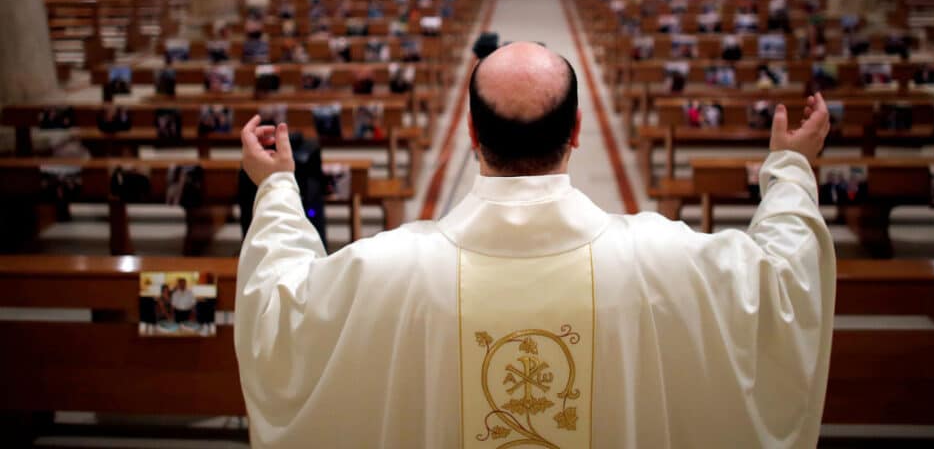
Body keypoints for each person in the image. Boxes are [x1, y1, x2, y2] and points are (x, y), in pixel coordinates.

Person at [236, 42, 834, 447]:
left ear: (472, 133)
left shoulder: (389, 267)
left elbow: (278, 314)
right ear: (577, 133)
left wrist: (278, 189)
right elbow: (784, 285)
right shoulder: (662, 257)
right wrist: (789, 169)